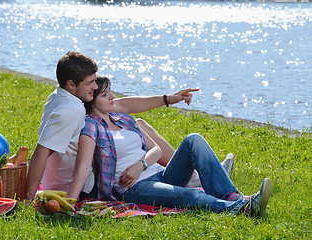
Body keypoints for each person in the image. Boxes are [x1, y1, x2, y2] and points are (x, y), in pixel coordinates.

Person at [68, 76, 272, 218]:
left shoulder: (123, 119)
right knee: (193, 195)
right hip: (135, 187)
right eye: (105, 95)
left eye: (110, 92)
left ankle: (233, 196)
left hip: (159, 174)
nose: (112, 97)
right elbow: (84, 166)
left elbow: (155, 149)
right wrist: (70, 202)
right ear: (92, 103)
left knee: (194, 140)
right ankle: (242, 209)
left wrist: (141, 164)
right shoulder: (91, 126)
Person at [25, 51, 199, 201]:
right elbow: (41, 152)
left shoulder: (59, 95)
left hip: (67, 181)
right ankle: (190, 175)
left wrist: (168, 99)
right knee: (130, 130)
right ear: (71, 84)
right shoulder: (73, 110)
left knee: (138, 124)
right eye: (90, 83)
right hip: (82, 187)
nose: (94, 86)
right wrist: (28, 199)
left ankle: (192, 174)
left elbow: (123, 105)